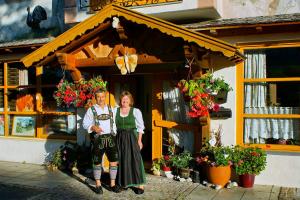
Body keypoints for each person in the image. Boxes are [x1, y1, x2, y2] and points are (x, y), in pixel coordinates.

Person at [83, 89, 120, 194]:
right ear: (95, 98)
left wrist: (115, 132)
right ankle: (98, 184)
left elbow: (116, 122)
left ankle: (112, 184)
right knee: (97, 162)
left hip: (111, 138)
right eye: (98, 97)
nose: (100, 99)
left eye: (102, 96)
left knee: (113, 162)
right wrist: (93, 127)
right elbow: (85, 124)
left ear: (105, 96)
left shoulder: (111, 108)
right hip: (98, 139)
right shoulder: (91, 110)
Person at [114, 91, 146, 194]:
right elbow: (113, 126)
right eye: (123, 99)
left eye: (127, 99)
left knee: (136, 159)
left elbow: (140, 127)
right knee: (122, 159)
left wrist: (139, 141)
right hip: (120, 137)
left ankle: (140, 184)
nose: (125, 101)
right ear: (120, 100)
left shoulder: (136, 111)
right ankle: (124, 183)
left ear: (130, 101)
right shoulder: (116, 110)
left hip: (132, 136)